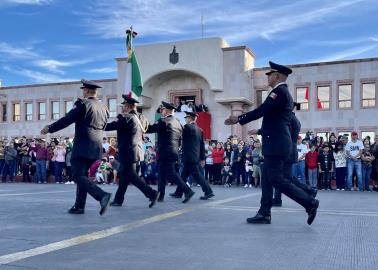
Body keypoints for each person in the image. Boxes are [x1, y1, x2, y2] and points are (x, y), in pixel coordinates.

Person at [225, 61, 319, 225]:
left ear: (277, 76)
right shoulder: (281, 93)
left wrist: (238, 118)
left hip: (276, 144)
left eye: (269, 75)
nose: (267, 77)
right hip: (275, 143)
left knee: (277, 179)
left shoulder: (279, 92)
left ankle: (309, 202)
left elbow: (262, 110)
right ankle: (264, 213)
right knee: (268, 178)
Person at [41, 79, 112, 215]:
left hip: (83, 145)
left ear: (86, 91)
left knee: (77, 175)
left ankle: (101, 195)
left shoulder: (82, 104)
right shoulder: (104, 107)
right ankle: (79, 206)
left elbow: (67, 119)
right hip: (96, 147)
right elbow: (104, 126)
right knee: (83, 176)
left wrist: (50, 128)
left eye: (83, 90)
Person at [104, 94, 159, 208]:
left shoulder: (126, 117)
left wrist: (97, 123)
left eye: (124, 105)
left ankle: (152, 194)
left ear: (128, 106)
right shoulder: (142, 118)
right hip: (137, 151)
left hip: (127, 152)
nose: (123, 107)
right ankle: (118, 199)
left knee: (132, 176)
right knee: (125, 176)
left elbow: (110, 126)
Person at [146, 101, 195, 203]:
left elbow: (150, 129)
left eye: (162, 109)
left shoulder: (164, 121)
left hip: (165, 152)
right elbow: (180, 139)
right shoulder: (178, 122)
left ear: (167, 110)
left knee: (171, 173)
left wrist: (142, 122)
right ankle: (160, 195)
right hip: (174, 151)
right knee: (161, 174)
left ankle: (187, 191)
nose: (161, 111)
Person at [170, 111, 214, 200]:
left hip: (188, 157)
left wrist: (176, 122)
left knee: (197, 176)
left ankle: (208, 191)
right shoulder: (200, 130)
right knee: (183, 175)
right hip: (195, 156)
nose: (185, 119)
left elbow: (179, 131)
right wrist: (202, 158)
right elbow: (202, 146)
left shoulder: (187, 127)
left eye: (186, 118)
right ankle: (178, 192)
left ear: (189, 118)